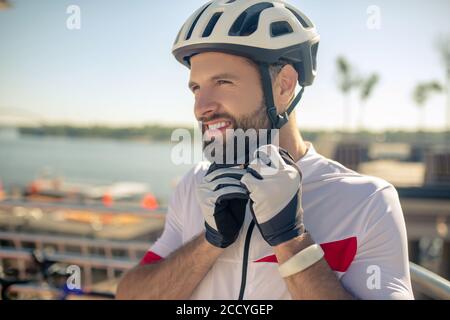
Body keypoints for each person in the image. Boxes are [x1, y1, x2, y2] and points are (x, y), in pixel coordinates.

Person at [116, 0, 413, 300]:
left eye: (222, 81)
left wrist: (291, 241)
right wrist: (208, 242)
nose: (201, 108)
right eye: (196, 88)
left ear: (283, 85)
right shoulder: (194, 185)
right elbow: (130, 296)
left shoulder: (367, 201)